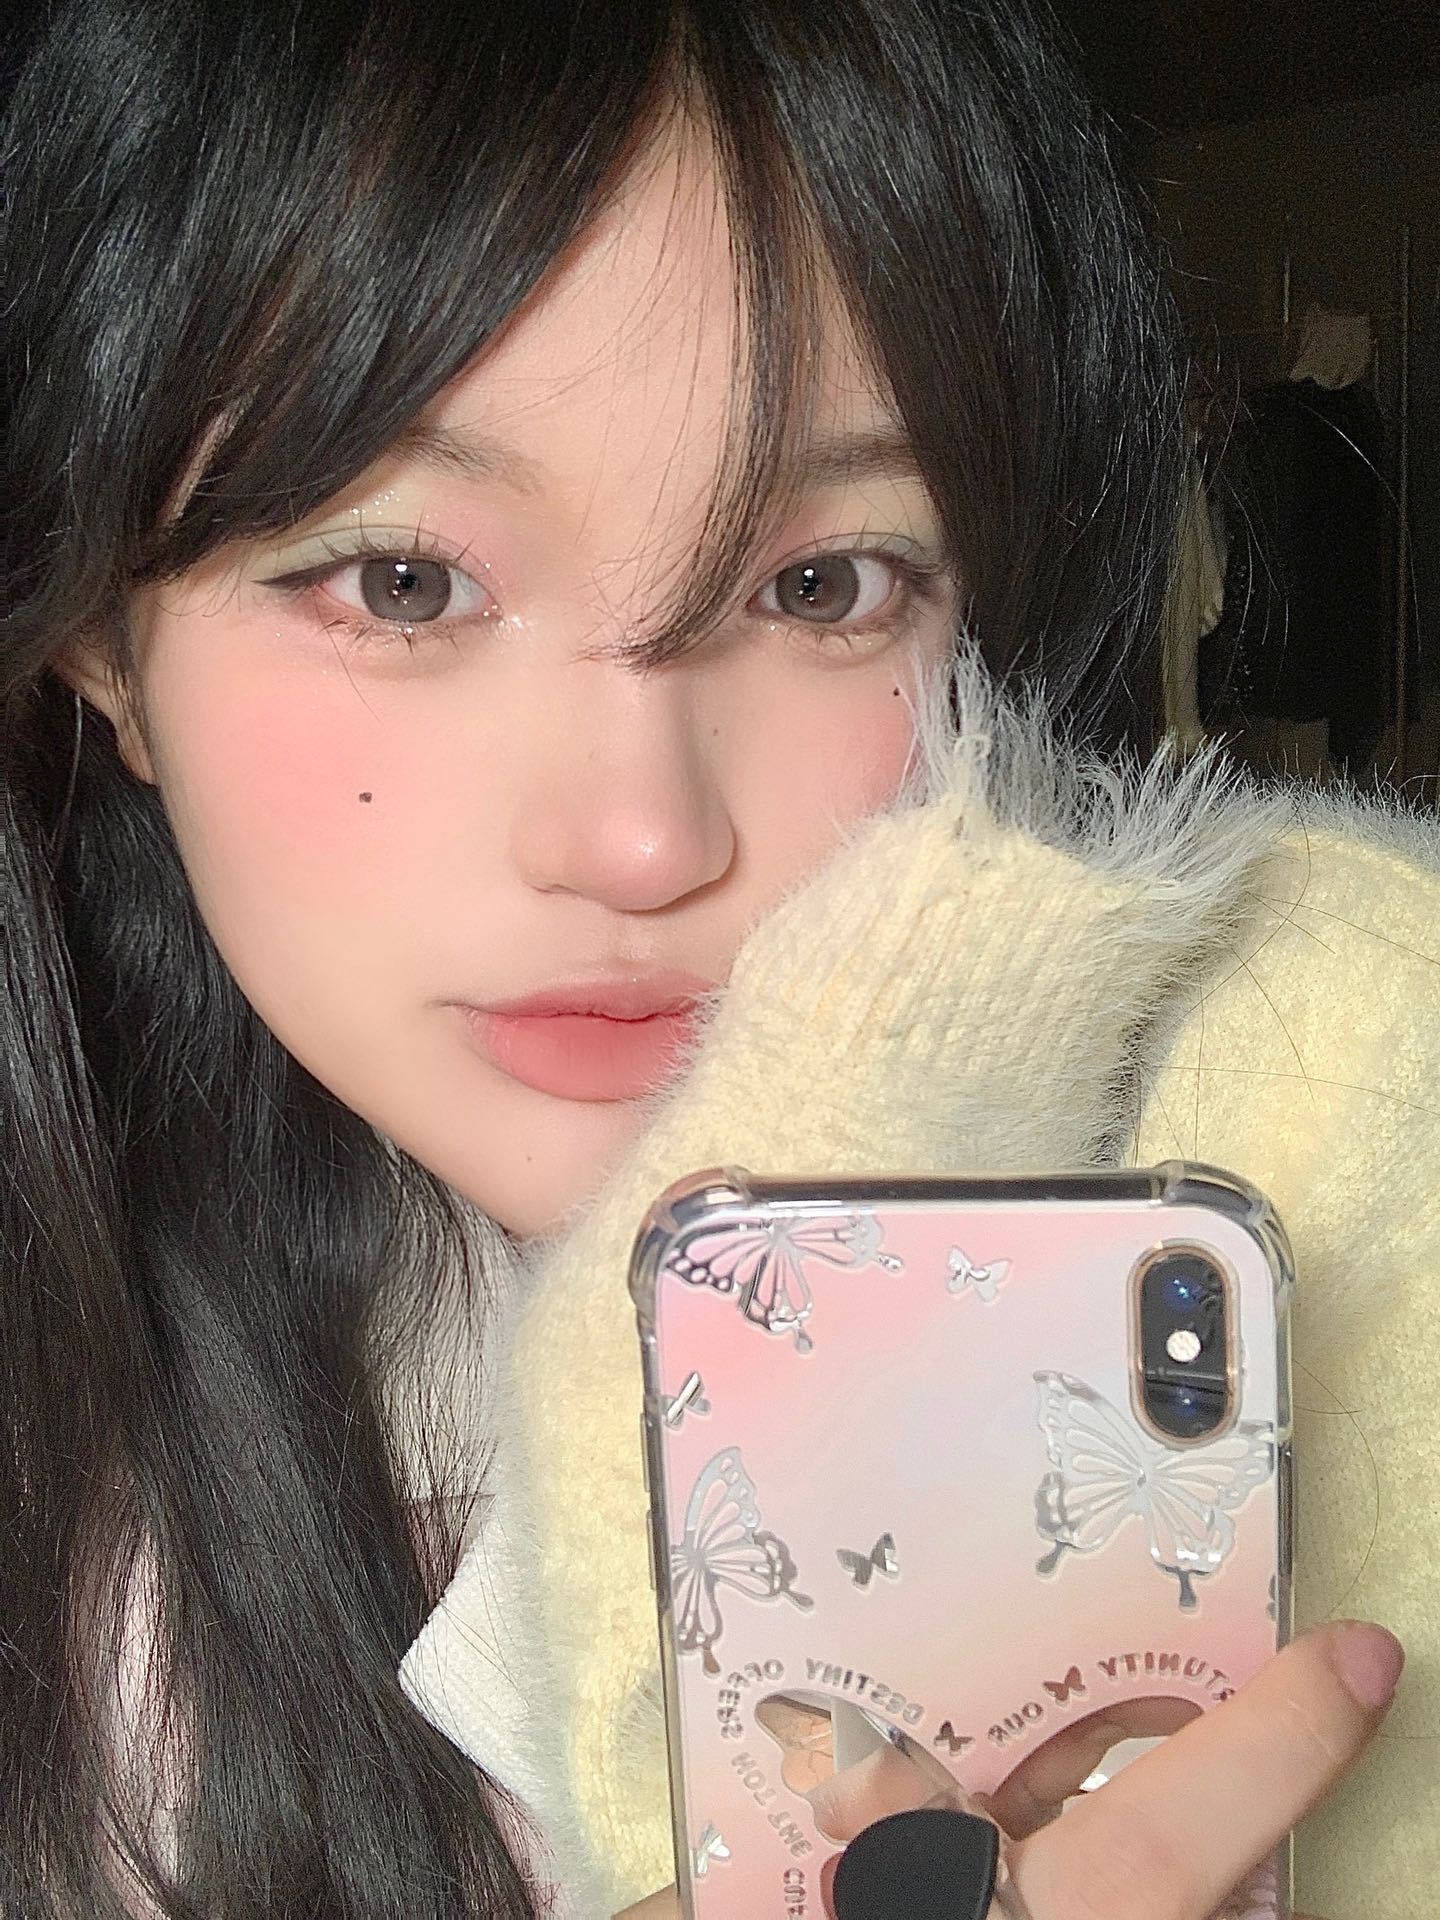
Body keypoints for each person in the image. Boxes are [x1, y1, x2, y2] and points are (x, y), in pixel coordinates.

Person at [3, 2, 1433, 1917]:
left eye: (820, 585)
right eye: (403, 582)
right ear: (102, 639)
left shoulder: (1325, 1266)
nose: (641, 839)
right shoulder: (75, 1540)